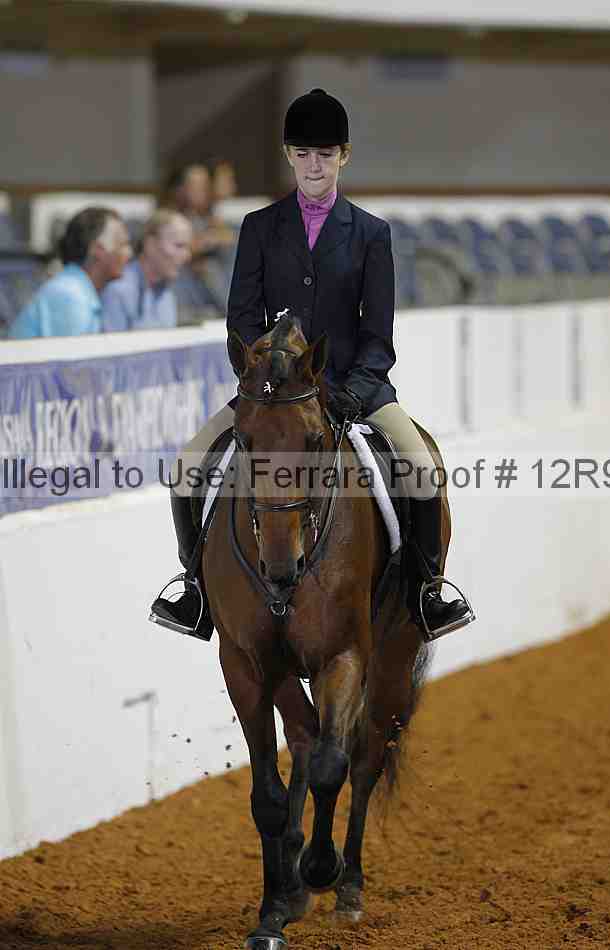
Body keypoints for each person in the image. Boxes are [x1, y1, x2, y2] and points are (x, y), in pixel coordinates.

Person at [150, 88, 473, 641]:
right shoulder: (259, 227)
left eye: (325, 154)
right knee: (186, 467)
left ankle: (428, 592)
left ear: (343, 155)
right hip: (273, 394)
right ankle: (195, 590)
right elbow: (242, 319)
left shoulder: (371, 234)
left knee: (420, 468)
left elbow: (378, 336)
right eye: (303, 154)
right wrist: (264, 380)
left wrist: (355, 390)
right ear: (289, 155)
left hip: (355, 389)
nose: (314, 165)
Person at [8, 208, 131, 339]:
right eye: (122, 244)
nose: (129, 253)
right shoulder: (70, 296)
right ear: (98, 250)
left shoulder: (75, 290)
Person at [101, 209, 193, 332]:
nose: (187, 255)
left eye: (187, 247)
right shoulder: (118, 290)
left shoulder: (167, 293)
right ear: (151, 244)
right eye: (179, 245)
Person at [164, 163, 237, 314]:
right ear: (180, 189)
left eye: (205, 186)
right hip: (182, 285)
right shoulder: (169, 218)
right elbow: (179, 250)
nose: (203, 191)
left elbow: (229, 238)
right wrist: (204, 243)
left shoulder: (209, 218)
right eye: (196, 186)